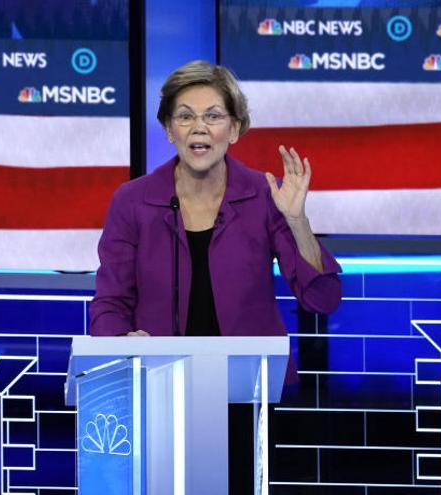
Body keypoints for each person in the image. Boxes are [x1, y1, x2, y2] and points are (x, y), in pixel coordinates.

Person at [89, 60, 342, 493]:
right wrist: (121, 347)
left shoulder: (265, 196)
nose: (198, 127)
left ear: (236, 128)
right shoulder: (133, 202)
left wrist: (298, 220)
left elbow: (323, 298)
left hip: (248, 396)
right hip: (159, 389)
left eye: (213, 116)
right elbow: (109, 303)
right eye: (184, 116)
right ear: (169, 130)